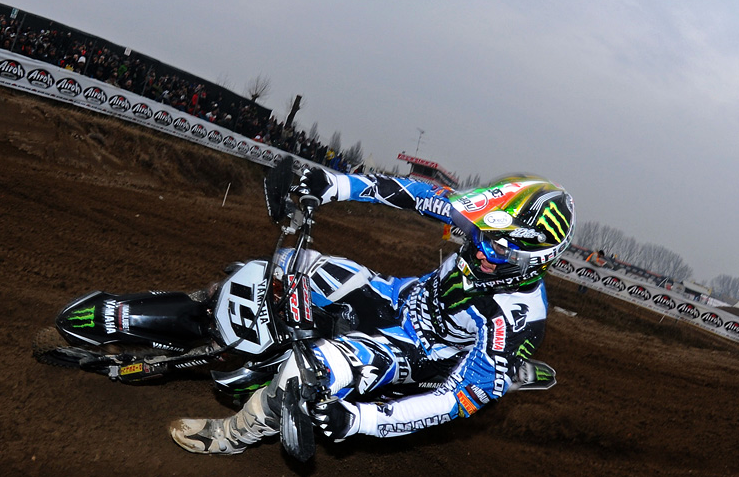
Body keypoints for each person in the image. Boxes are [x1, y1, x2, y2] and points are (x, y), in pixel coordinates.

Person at [169, 170, 575, 454]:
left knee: (306, 371)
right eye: (483, 235)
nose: (482, 249)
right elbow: (416, 194)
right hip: (393, 295)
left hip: (415, 352)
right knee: (286, 263)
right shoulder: (486, 231)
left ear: (536, 259)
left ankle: (233, 435)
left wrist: (360, 420)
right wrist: (335, 185)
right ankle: (200, 304)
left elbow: (454, 401)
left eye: (500, 249)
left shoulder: (516, 320)